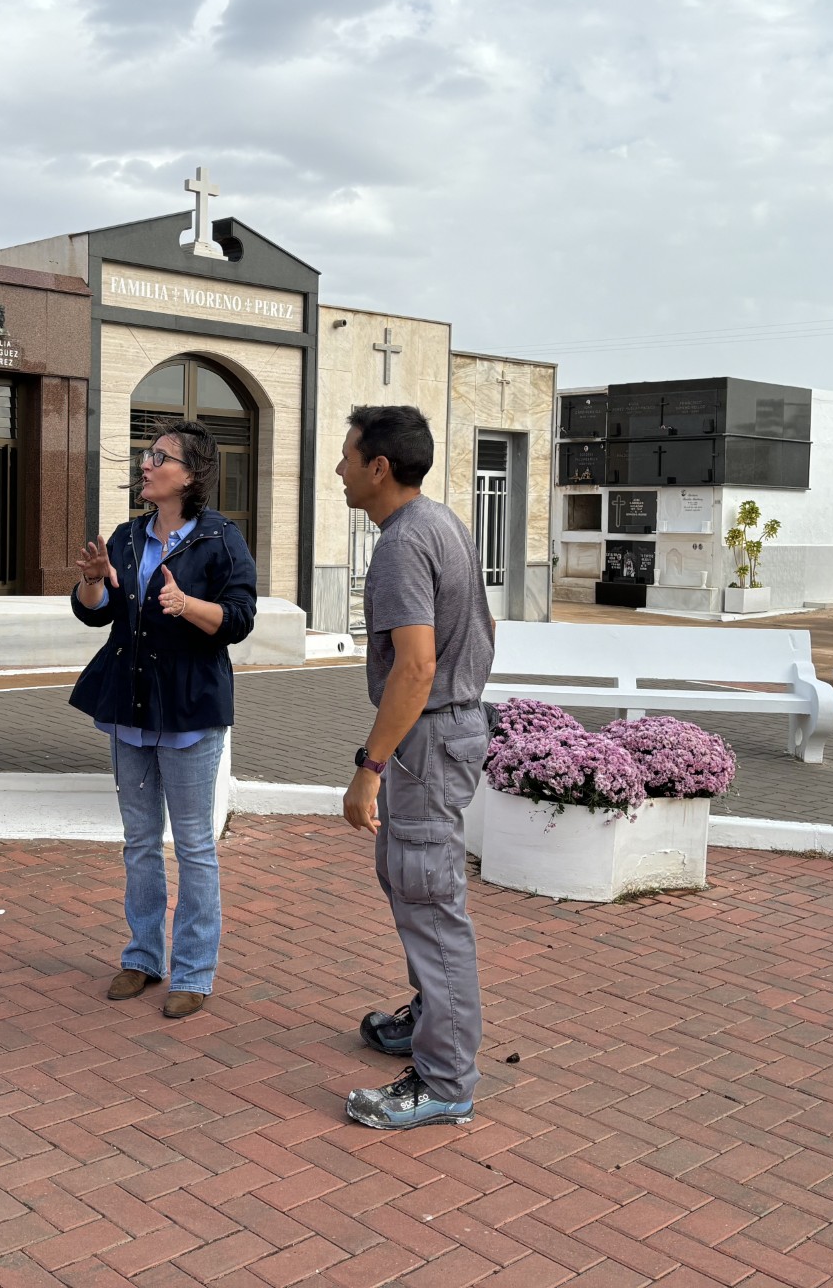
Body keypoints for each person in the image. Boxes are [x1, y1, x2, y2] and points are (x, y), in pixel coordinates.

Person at [335, 404, 494, 1130]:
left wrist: (371, 765)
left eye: (346, 457)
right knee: (410, 881)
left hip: (427, 738)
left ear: (378, 467)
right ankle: (432, 1017)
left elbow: (418, 666)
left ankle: (443, 1081)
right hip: (440, 734)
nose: (338, 470)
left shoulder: (402, 544)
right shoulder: (441, 522)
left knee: (430, 902)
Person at [70, 420, 257, 1020]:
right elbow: (96, 615)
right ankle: (143, 957)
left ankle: (195, 972)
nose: (145, 464)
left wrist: (186, 605)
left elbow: (239, 618)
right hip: (129, 704)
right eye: (147, 455)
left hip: (190, 708)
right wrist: (94, 581)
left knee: (196, 846)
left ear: (192, 475)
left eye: (160, 457)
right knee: (139, 842)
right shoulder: (126, 537)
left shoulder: (221, 539)